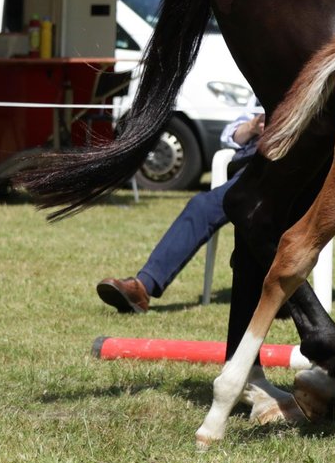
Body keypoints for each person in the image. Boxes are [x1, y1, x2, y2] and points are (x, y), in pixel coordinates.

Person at [96, 106, 264, 313]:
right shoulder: (261, 87)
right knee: (201, 206)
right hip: (249, 169)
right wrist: (252, 127)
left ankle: (254, 271)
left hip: (283, 169)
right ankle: (142, 287)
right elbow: (228, 137)